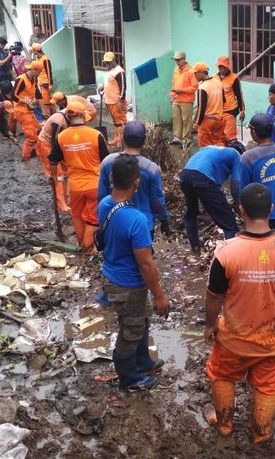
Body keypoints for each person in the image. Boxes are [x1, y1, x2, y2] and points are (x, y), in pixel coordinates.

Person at [204, 183, 275, 444]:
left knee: (221, 374)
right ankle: (259, 433)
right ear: (272, 209)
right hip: (274, 339)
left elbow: (213, 297)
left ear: (241, 210)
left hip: (235, 339)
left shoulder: (226, 252)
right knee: (267, 383)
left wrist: (210, 325)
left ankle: (225, 424)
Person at [98, 154, 170, 391]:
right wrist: (160, 295)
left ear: (111, 178)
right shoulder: (136, 219)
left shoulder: (105, 204)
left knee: (143, 317)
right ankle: (129, 378)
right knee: (132, 328)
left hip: (114, 274)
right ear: (136, 183)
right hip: (127, 284)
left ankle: (142, 361)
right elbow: (146, 264)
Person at [48, 101, 109, 254]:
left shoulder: (61, 137)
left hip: (74, 186)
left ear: (68, 116)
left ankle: (81, 243)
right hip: (95, 185)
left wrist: (55, 178)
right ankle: (87, 248)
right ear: (83, 115)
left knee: (77, 215)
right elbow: (107, 162)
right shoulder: (96, 135)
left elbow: (53, 160)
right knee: (93, 218)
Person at [98, 121, 169, 239]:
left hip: (114, 220)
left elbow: (102, 194)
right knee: (142, 255)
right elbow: (156, 200)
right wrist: (163, 220)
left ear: (123, 139)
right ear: (144, 141)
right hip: (143, 224)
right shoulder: (151, 168)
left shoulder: (108, 161)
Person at [180, 146, 241, 252]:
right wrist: (239, 204)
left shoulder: (214, 149)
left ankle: (195, 245)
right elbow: (236, 185)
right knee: (228, 220)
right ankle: (232, 253)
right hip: (202, 177)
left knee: (191, 212)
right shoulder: (236, 155)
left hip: (185, 175)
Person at [36, 104, 71, 212]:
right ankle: (60, 204)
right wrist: (57, 159)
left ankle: (66, 198)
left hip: (59, 145)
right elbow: (54, 144)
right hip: (46, 145)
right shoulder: (58, 121)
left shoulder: (69, 119)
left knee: (67, 170)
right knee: (58, 174)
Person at [12, 60, 43, 161]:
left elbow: (38, 95)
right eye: (39, 72)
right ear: (34, 70)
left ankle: (36, 152)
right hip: (21, 110)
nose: (39, 74)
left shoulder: (34, 79)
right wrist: (24, 101)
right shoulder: (21, 79)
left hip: (29, 108)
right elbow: (13, 96)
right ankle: (25, 157)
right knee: (31, 136)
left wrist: (43, 112)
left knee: (38, 130)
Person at [193, 62, 225, 148]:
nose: (194, 75)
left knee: (205, 147)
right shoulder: (219, 83)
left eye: (195, 73)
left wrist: (197, 123)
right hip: (219, 120)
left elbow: (201, 108)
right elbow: (224, 101)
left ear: (201, 72)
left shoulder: (202, 87)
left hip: (207, 121)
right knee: (219, 146)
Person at [169, 50, 197, 147]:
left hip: (186, 100)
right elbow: (173, 83)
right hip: (176, 99)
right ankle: (177, 138)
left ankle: (187, 139)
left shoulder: (191, 71)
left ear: (184, 59)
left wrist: (182, 90)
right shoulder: (176, 70)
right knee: (176, 119)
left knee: (186, 121)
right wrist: (172, 97)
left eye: (178, 60)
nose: (176, 62)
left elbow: (195, 86)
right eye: (175, 60)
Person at [214, 56, 244, 143]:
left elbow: (239, 95)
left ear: (228, 67)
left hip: (230, 111)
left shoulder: (234, 78)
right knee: (219, 136)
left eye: (223, 67)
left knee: (230, 136)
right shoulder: (214, 78)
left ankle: (232, 153)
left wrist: (242, 110)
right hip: (218, 111)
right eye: (220, 67)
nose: (221, 69)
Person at [100, 51, 127, 147]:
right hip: (109, 101)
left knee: (121, 121)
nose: (107, 64)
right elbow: (109, 82)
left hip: (116, 101)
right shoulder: (109, 71)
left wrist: (121, 100)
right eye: (106, 62)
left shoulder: (119, 71)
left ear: (113, 61)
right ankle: (117, 138)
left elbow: (123, 86)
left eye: (108, 62)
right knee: (115, 121)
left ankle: (122, 140)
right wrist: (103, 86)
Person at [30, 43, 53, 117]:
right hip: (40, 82)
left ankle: (49, 116)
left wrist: (50, 84)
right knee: (43, 100)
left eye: (32, 50)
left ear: (35, 50)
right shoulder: (38, 59)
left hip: (45, 82)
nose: (32, 52)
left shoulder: (45, 59)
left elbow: (49, 71)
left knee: (46, 101)